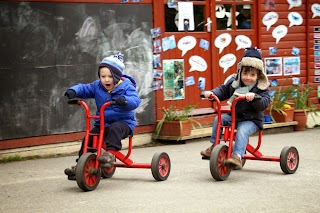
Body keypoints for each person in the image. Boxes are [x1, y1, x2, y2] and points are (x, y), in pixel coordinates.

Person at [64, 53, 141, 180]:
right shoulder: (97, 86)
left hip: (124, 123)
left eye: (110, 76)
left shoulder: (126, 87)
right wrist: (74, 91)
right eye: (103, 76)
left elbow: (135, 100)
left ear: (117, 76)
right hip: (103, 124)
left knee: (114, 129)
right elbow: (85, 88)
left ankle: (109, 156)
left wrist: (125, 100)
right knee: (89, 138)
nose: (106, 80)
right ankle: (80, 166)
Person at [200, 47, 270, 168]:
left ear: (258, 76)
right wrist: (212, 94)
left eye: (252, 75)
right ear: (240, 72)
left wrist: (254, 98)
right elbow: (223, 90)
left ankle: (237, 155)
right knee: (218, 119)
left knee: (242, 130)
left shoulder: (261, 87)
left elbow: (264, 103)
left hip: (252, 120)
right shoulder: (234, 83)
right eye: (245, 73)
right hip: (234, 117)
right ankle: (214, 145)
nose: (248, 77)